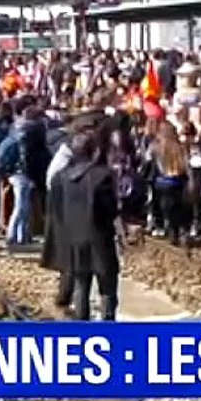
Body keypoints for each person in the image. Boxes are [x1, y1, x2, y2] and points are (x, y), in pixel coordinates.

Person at [42, 132, 119, 321]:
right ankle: (108, 326)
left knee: (81, 284)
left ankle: (82, 325)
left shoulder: (59, 178)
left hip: (73, 237)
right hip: (99, 237)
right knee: (107, 286)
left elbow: (56, 211)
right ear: (94, 151)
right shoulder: (102, 176)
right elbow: (110, 210)